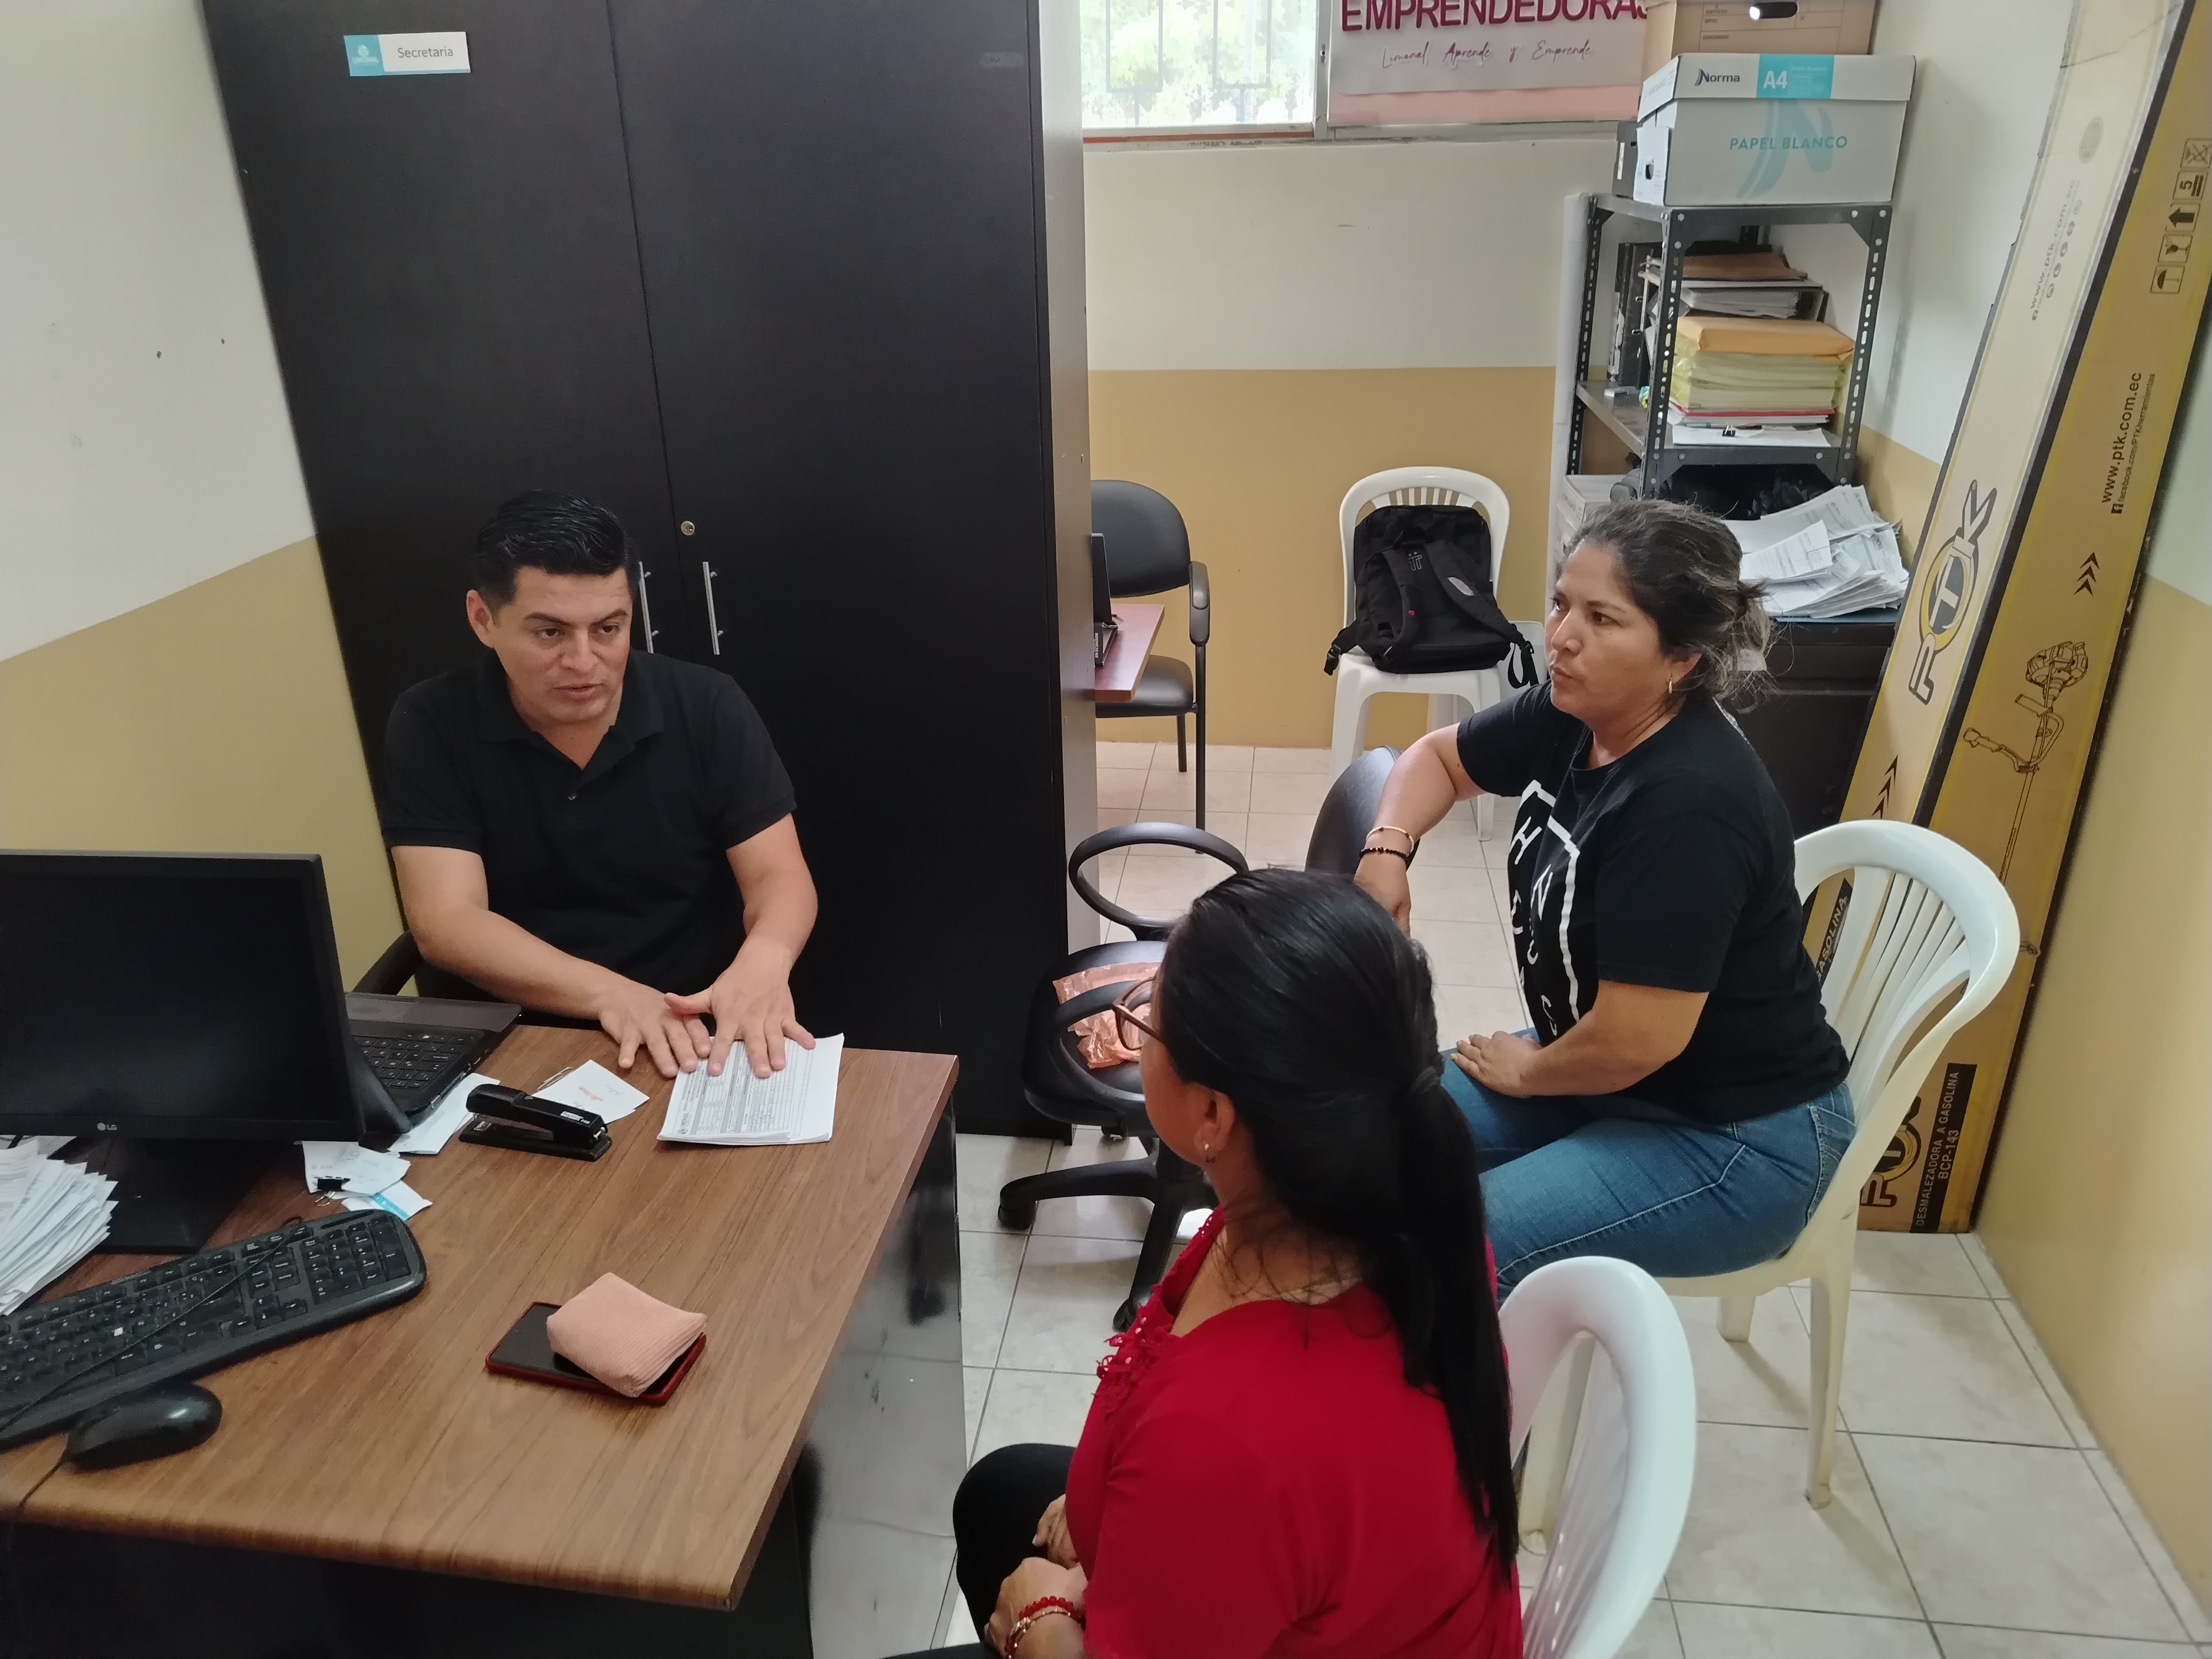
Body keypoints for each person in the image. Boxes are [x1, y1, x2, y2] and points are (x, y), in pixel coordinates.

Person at [933, 869, 1521, 1659]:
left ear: (1213, 1114)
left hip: (1245, 1549)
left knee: (1005, 1540)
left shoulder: (1228, 1444)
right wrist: (1103, 1506)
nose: (1138, 1027)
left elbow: (1225, 1476)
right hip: (1307, 1582)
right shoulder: (1393, 1208)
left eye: (1148, 1021)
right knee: (996, 1494)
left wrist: (1041, 1625)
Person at [1354, 498, 1853, 1295]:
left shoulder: (1690, 804)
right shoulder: (1577, 711)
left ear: (1681, 656)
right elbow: (1437, 760)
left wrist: (1531, 1073)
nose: (1560, 637)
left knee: (1468, 1242)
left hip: (1734, 1135)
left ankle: (1459, 1375)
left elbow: (1635, 1041)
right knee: (1361, 1133)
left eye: (1602, 618)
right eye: (1561, 604)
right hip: (1600, 1069)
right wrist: (1387, 848)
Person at [379, 492, 817, 1081]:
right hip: (518, 1032)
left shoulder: (706, 704)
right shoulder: (431, 721)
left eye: (608, 628)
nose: (584, 661)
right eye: (550, 633)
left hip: (689, 1021)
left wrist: (765, 958)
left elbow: (778, 875)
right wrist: (613, 995)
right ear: (483, 619)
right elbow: (448, 921)